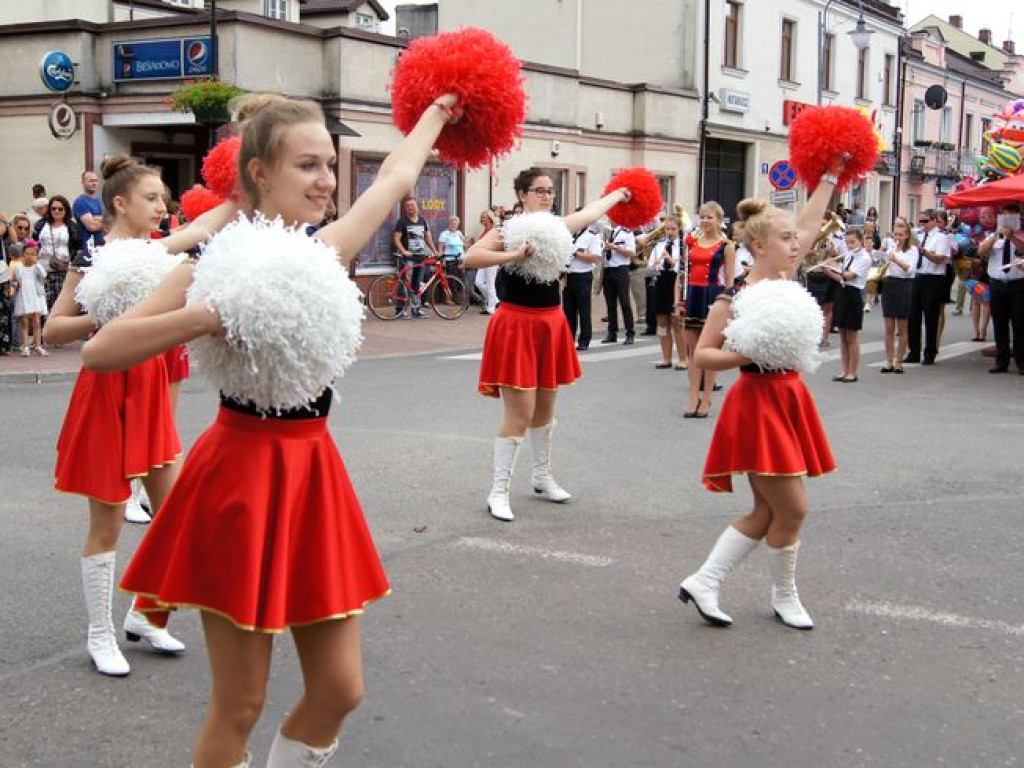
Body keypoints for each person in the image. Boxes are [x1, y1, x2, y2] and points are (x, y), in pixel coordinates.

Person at [82, 92, 460, 768]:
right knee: (240, 704)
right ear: (259, 172)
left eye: (330, 165)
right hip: (238, 477)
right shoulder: (207, 264)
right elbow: (101, 350)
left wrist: (440, 108)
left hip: (314, 472)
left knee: (340, 689)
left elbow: (397, 175)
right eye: (307, 165)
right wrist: (205, 316)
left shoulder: (326, 248)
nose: (326, 181)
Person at [45, 155, 237, 681]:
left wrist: (241, 193)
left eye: (163, 199)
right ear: (120, 202)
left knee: (175, 516)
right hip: (107, 388)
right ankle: (99, 634)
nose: (161, 207)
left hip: (151, 386)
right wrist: (102, 318)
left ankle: (146, 614)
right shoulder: (92, 255)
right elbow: (53, 331)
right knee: (107, 523)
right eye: (151, 198)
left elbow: (199, 227)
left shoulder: (159, 249)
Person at [678, 165, 842, 632]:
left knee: (769, 510)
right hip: (757, 402)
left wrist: (831, 174)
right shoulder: (734, 297)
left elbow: (809, 221)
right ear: (758, 246)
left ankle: (705, 581)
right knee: (794, 508)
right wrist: (745, 353)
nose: (796, 244)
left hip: (790, 396)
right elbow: (703, 355)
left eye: (795, 239)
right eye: (786, 239)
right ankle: (783, 595)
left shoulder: (787, 276)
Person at [464, 167, 631, 522]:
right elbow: (470, 258)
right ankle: (498, 491)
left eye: (551, 191)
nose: (547, 196)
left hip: (550, 323)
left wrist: (618, 195)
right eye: (539, 190)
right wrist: (513, 255)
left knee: (544, 412)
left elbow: (590, 213)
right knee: (520, 414)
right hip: (516, 325)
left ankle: (541, 477)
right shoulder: (506, 231)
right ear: (522, 195)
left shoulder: (558, 227)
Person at [682, 202, 734, 417]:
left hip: (713, 295)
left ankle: (707, 399)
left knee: (711, 350)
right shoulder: (692, 242)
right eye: (702, 217)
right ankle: (694, 396)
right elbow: (684, 272)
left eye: (709, 217)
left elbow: (730, 281)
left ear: (719, 220)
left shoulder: (726, 246)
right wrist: (680, 300)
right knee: (693, 351)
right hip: (693, 294)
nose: (704, 221)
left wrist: (726, 305)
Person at [977, 209, 1024, 374]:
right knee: (999, 323)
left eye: (1012, 216)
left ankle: (1021, 361)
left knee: (1019, 324)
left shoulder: (1021, 235)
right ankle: (1001, 361)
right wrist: (997, 236)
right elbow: (981, 251)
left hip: (1018, 284)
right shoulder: (993, 236)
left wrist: (1012, 237)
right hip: (997, 284)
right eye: (1005, 216)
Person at [906, 209, 951, 365]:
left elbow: (939, 259)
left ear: (933, 221)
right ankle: (913, 352)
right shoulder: (918, 236)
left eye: (925, 221)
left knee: (931, 317)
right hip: (917, 277)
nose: (922, 224)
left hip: (933, 279)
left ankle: (930, 353)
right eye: (920, 221)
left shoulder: (941, 237)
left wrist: (924, 252)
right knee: (913, 316)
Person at [826, 228, 871, 382]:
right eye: (847, 243)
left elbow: (848, 275)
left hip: (854, 295)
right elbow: (841, 279)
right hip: (843, 292)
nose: (850, 246)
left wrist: (833, 266)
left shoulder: (864, 258)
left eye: (853, 242)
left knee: (852, 336)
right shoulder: (849, 255)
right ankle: (844, 370)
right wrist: (826, 270)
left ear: (861, 241)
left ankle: (853, 372)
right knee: (843, 335)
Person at [647, 215, 687, 369]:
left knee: (677, 322)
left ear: (679, 229)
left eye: (673, 229)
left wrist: (670, 260)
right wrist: (656, 264)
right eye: (667, 229)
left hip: (675, 282)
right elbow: (650, 265)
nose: (669, 232)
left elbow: (684, 268)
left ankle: (683, 359)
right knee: (662, 322)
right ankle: (666, 358)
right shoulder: (659, 245)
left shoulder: (684, 246)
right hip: (661, 282)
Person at [879, 220, 918, 373]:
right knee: (889, 326)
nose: (898, 238)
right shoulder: (891, 248)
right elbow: (886, 267)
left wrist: (896, 259)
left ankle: (899, 362)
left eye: (901, 235)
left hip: (904, 285)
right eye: (895, 234)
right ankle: (889, 361)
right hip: (890, 284)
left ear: (907, 235)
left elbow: (910, 270)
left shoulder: (913, 250)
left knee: (902, 326)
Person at [34, 195, 82, 311]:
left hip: (63, 269)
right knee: (44, 302)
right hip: (43, 269)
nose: (57, 211)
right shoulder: (41, 224)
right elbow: (34, 243)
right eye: (53, 208)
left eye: (60, 209)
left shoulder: (71, 227)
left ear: (66, 210)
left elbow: (78, 247)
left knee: (61, 302)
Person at [392, 196, 438, 318]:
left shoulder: (422, 220)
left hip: (420, 257)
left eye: (412, 205)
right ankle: (400, 310)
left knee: (417, 284)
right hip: (408, 258)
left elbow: (428, 237)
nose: (410, 207)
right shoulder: (402, 221)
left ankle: (416, 310)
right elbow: (396, 239)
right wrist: (403, 251)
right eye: (408, 206)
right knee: (404, 283)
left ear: (417, 207)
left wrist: (435, 251)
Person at [563, 220, 603, 351]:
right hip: (568, 275)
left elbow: (596, 257)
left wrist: (576, 253)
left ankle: (584, 340)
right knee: (568, 310)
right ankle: (569, 339)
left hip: (583, 275)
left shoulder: (592, 235)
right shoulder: (569, 235)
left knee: (583, 309)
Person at [599, 220, 637, 345]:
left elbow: (631, 253)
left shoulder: (626, 232)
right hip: (607, 268)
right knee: (610, 303)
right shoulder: (605, 231)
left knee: (624, 301)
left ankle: (630, 332)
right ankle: (612, 332)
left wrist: (614, 247)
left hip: (621, 269)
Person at [9, 240, 48, 356]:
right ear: (23, 254)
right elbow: (13, 281)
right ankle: (25, 346)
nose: (30, 256)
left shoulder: (36, 267)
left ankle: (38, 345)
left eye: (33, 254)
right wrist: (16, 284)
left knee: (36, 321)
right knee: (25, 322)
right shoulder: (18, 268)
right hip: (23, 295)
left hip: (35, 295)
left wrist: (37, 263)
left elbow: (44, 275)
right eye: (27, 253)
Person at [473, 209, 500, 314]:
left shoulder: (494, 230)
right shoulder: (485, 230)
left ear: (489, 218)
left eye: (484, 217)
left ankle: (491, 308)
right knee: (478, 282)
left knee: (490, 283)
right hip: (483, 259)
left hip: (492, 259)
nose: (482, 219)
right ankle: (495, 300)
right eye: (481, 217)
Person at [73, 169, 106, 253]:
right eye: (91, 181)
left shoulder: (98, 202)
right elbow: (92, 226)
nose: (94, 183)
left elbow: (107, 223)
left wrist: (96, 219)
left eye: (96, 181)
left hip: (100, 247)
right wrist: (105, 221)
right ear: (83, 182)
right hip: (87, 248)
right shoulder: (80, 202)